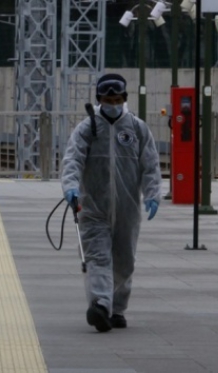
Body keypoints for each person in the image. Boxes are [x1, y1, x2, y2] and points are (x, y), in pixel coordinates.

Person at [61, 73, 162, 332]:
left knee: (125, 260)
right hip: (93, 207)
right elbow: (73, 160)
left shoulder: (137, 128)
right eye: (108, 99)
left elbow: (150, 164)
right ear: (99, 100)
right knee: (97, 257)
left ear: (125, 99)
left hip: (128, 207)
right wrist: (71, 187)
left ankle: (117, 309)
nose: (113, 104)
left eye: (117, 99)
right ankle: (100, 305)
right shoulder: (87, 128)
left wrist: (152, 194)